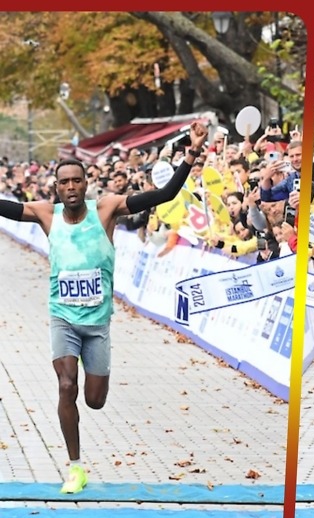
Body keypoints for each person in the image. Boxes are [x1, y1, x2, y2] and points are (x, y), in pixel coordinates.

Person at [0, 120, 209, 493]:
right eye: (63, 183)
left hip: (97, 324)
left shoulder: (106, 210)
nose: (70, 188)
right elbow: (4, 207)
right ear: (56, 188)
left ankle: (89, 398)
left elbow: (164, 194)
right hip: (62, 317)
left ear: (85, 184)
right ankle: (75, 467)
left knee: (94, 401)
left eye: (76, 181)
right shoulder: (45, 214)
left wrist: (191, 153)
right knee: (67, 386)